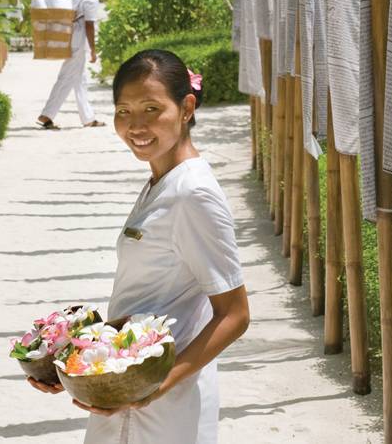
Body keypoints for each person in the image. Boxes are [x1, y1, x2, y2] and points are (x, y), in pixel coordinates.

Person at [27, 49, 250, 444]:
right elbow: (150, 292)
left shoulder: (193, 193)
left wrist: (154, 388)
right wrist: (73, 361)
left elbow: (234, 315)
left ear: (186, 107)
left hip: (158, 405)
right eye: (124, 111)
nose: (136, 125)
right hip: (124, 389)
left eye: (151, 108)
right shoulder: (161, 181)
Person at [36, 0, 106, 129]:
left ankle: (88, 118)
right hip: (78, 40)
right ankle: (46, 115)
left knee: (79, 80)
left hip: (71, 36)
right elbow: (89, 25)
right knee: (65, 78)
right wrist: (92, 49)